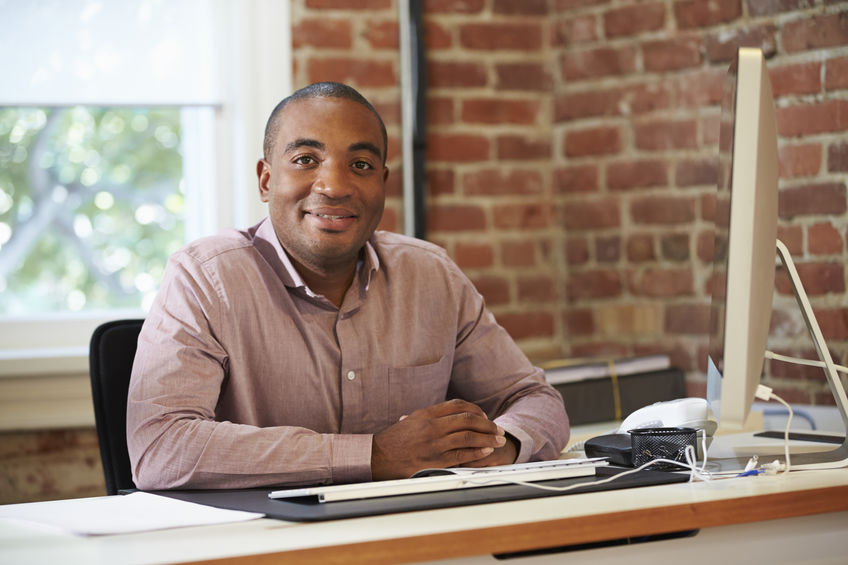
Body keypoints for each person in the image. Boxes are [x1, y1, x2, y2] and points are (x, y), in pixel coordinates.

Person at [126, 82, 569, 490]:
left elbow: (534, 400)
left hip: (416, 529)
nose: (335, 186)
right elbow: (160, 446)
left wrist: (500, 447)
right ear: (266, 180)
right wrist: (375, 455)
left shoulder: (432, 275)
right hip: (268, 536)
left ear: (382, 183)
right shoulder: (203, 278)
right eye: (306, 160)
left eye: (360, 165)